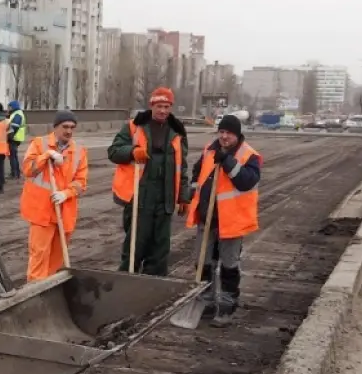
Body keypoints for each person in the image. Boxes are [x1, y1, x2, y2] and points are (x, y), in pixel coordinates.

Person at [187, 113, 262, 327]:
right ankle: (206, 302)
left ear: (237, 135)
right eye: (221, 132)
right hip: (207, 217)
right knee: (203, 262)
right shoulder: (210, 150)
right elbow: (197, 172)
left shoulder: (249, 156)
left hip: (231, 221)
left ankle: (227, 306)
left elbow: (246, 182)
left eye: (228, 133)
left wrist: (228, 162)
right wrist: (193, 193)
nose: (224, 136)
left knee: (229, 265)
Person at [107, 87, 191, 276]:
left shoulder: (177, 132)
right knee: (135, 247)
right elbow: (113, 152)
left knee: (160, 250)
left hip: (165, 197)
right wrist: (131, 152)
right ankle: (126, 286)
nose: (163, 110)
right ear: (151, 105)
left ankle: (153, 288)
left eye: (167, 106)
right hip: (139, 197)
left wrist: (184, 196)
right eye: (159, 106)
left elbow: (182, 166)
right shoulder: (134, 126)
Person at [19, 110, 89, 281]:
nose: (69, 131)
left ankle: (50, 289)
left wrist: (66, 193)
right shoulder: (39, 144)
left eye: (72, 127)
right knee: (39, 257)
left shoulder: (79, 152)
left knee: (56, 260)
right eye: (65, 126)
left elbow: (81, 182)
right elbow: (28, 169)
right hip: (41, 211)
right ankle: (35, 292)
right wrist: (47, 155)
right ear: (56, 127)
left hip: (64, 213)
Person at [6, 100, 27, 180]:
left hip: (14, 138)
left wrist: (9, 136)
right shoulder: (15, 114)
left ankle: (14, 173)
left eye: (9, 107)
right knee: (13, 155)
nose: (8, 108)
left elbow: (14, 126)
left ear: (13, 107)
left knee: (12, 156)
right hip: (15, 137)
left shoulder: (17, 114)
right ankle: (16, 173)